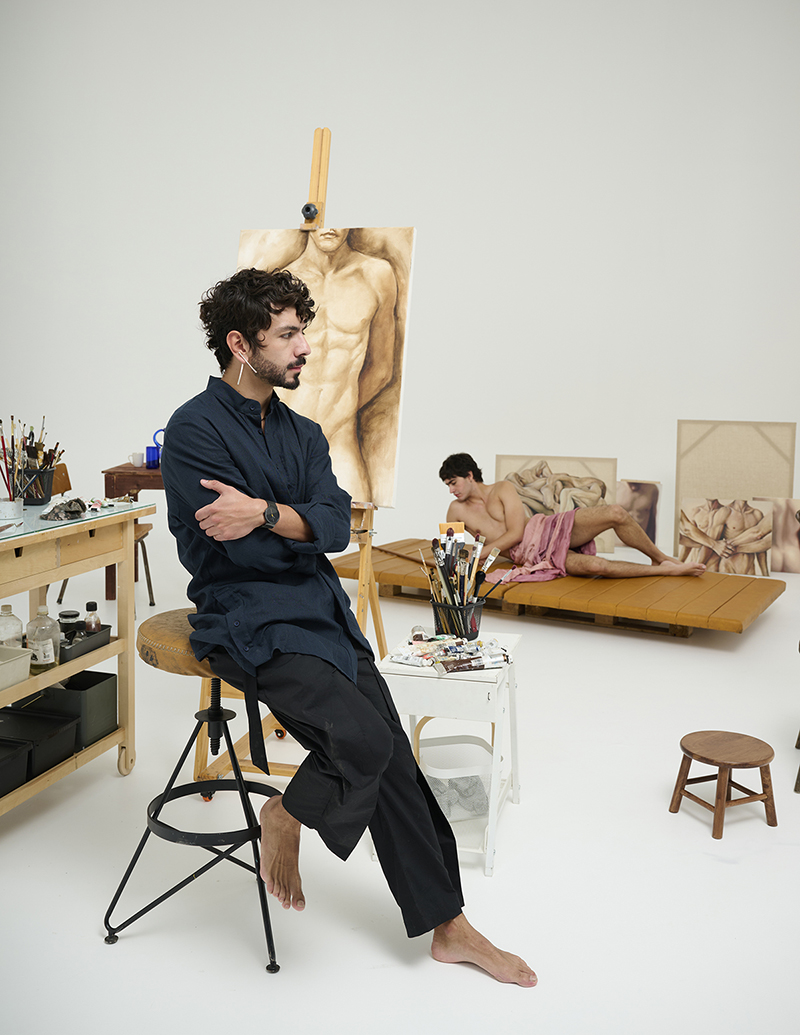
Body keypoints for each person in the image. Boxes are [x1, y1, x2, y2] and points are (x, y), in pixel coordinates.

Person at [160, 269, 536, 987]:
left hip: (322, 611)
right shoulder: (193, 429)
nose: (305, 347)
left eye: (303, 331)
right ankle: (287, 815)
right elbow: (235, 552)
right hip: (246, 617)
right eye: (287, 335)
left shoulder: (304, 434)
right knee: (361, 740)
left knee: (395, 759)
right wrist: (290, 530)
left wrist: (264, 513)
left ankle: (449, 926)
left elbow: (334, 527)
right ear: (240, 344)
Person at [439, 453, 705, 581]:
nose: (451, 490)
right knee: (597, 567)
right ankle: (665, 571)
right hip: (530, 555)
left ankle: (660, 557)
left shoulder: (502, 488)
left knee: (615, 512)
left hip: (546, 528)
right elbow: (451, 549)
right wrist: (462, 559)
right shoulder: (455, 511)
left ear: (470, 476)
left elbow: (516, 532)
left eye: (453, 483)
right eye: (448, 486)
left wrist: (480, 552)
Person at [284, 228, 398, 503]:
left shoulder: (376, 275)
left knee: (355, 525)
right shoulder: (282, 282)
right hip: (285, 439)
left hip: (339, 439)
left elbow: (382, 369)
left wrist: (338, 409)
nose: (329, 227)